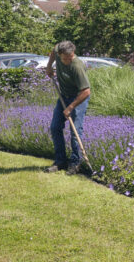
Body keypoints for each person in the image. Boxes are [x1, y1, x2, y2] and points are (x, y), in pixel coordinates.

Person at [44, 40, 91, 174]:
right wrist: (49, 66)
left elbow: (86, 92)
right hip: (63, 96)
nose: (67, 60)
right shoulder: (58, 52)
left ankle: (76, 163)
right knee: (55, 127)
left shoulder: (77, 66)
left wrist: (70, 107)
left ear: (73, 53)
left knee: (75, 131)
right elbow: (53, 51)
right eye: (64, 58)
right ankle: (60, 161)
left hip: (78, 98)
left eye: (69, 57)